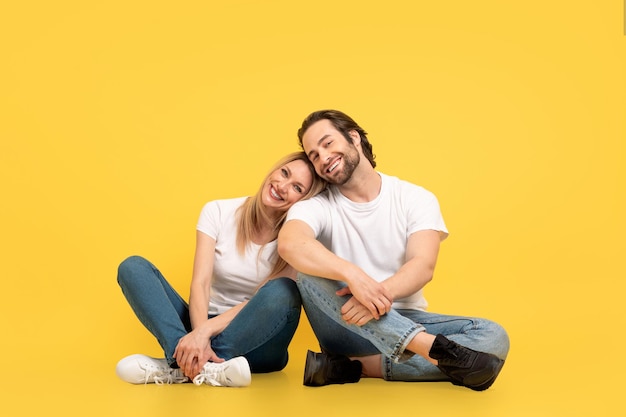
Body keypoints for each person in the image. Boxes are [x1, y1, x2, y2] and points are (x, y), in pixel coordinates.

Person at [277, 110, 510, 391]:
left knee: (493, 337)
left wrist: (375, 297)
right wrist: (355, 278)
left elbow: (422, 265)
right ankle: (424, 348)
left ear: (353, 137)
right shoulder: (316, 206)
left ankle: (353, 366)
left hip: (405, 316)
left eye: (327, 144)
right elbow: (290, 243)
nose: (323, 157)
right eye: (313, 155)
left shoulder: (415, 198)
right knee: (306, 271)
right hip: (346, 322)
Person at [115, 151, 326, 387]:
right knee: (133, 268)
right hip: (204, 322)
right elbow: (200, 284)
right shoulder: (218, 211)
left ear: (304, 202)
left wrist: (203, 335)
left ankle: (180, 364)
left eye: (297, 188)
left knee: (284, 290)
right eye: (284, 173)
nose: (282, 186)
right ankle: (201, 366)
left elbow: (263, 301)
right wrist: (199, 333)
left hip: (261, 340)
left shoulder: (298, 237)